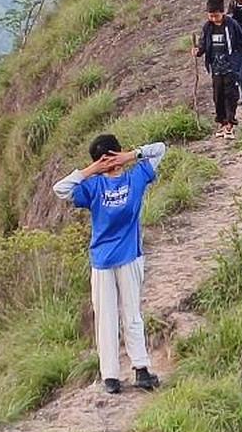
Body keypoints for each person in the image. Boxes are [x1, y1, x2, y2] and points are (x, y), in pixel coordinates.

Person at [52, 134, 167, 395]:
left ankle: (111, 377)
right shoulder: (136, 178)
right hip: (130, 256)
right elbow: (160, 149)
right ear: (118, 151)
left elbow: (61, 189)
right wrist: (132, 155)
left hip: (102, 261)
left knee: (106, 318)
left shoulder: (92, 187)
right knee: (132, 314)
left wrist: (90, 170)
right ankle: (141, 369)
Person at [194, 0, 242, 139]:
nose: (213, 18)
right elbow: (203, 44)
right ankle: (221, 122)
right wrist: (198, 51)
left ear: (222, 13)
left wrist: (237, 60)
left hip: (231, 67)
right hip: (215, 67)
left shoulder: (232, 24)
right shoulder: (207, 27)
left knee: (230, 95)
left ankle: (230, 123)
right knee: (218, 95)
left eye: (216, 15)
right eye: (210, 16)